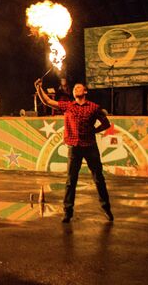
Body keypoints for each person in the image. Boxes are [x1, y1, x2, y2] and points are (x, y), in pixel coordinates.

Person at [35, 79, 114, 223]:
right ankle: (68, 212)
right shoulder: (69, 106)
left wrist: (94, 131)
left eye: (79, 87)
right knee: (71, 181)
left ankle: (106, 208)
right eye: (74, 88)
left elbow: (106, 123)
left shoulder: (94, 107)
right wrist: (39, 88)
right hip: (74, 147)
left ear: (85, 91)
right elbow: (48, 102)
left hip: (90, 146)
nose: (76, 89)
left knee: (99, 178)